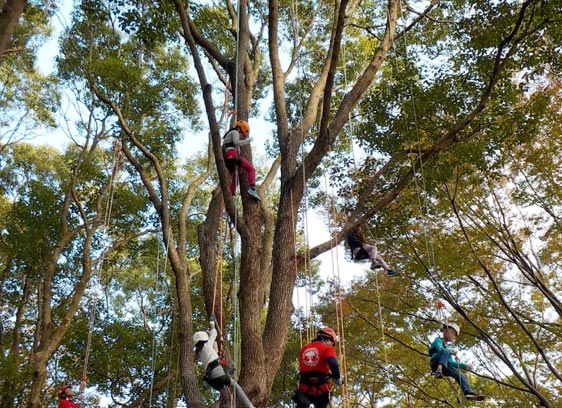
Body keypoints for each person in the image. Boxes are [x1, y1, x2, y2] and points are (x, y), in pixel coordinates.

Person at [193, 319, 255, 408]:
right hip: (218, 373)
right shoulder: (207, 346)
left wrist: (217, 348)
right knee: (236, 387)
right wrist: (212, 325)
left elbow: (213, 354)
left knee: (227, 397)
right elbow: (214, 333)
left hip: (213, 380)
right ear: (204, 339)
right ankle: (250, 406)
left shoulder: (200, 354)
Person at [429, 323, 485, 401]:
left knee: (460, 374)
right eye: (451, 333)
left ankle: (467, 392)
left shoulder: (448, 348)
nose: (452, 336)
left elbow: (451, 363)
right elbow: (440, 349)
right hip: (435, 362)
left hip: (446, 366)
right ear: (445, 331)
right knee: (445, 351)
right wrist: (449, 351)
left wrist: (463, 366)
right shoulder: (438, 340)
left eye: (454, 335)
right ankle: (438, 370)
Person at [293, 327, 342, 408]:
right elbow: (333, 363)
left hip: (304, 388)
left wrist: (328, 373)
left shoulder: (304, 348)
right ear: (328, 340)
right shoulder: (327, 348)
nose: (332, 346)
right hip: (320, 390)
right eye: (332, 344)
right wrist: (337, 377)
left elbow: (311, 367)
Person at [222, 119, 261, 200]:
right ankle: (252, 189)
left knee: (235, 177)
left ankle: (230, 195)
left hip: (228, 158)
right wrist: (247, 140)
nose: (241, 137)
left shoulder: (229, 136)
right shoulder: (235, 132)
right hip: (232, 155)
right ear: (239, 129)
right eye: (242, 135)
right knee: (251, 169)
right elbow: (236, 142)